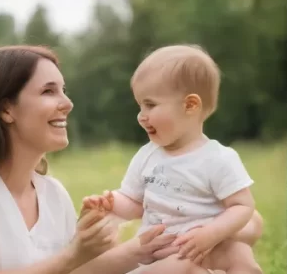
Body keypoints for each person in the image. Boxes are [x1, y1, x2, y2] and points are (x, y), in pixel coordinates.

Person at [0, 46, 177, 274]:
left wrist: (142, 248)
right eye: (49, 91)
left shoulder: (53, 194)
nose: (68, 103)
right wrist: (74, 254)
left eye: (63, 90)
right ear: (6, 110)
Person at [82, 45, 264, 273]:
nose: (141, 116)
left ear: (190, 105)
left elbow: (242, 206)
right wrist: (111, 202)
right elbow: (135, 204)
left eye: (150, 105)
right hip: (160, 256)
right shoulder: (147, 156)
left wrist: (210, 234)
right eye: (140, 106)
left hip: (209, 246)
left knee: (240, 255)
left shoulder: (218, 159)